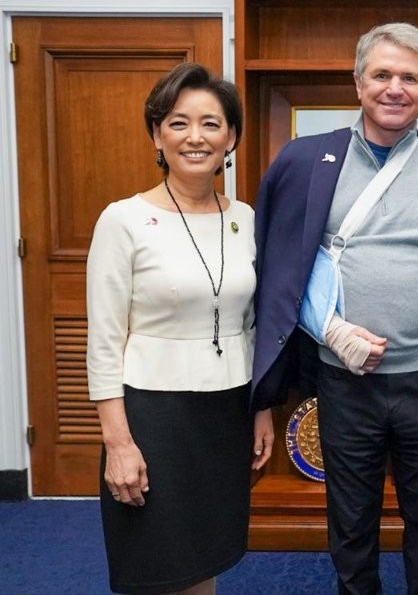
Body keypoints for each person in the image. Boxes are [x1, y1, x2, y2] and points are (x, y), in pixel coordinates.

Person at [251, 22, 418, 595]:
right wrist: (331, 331)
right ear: (358, 82)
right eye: (382, 74)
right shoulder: (305, 161)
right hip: (344, 383)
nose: (395, 87)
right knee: (351, 521)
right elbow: (284, 270)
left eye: (409, 77)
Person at [86, 62, 275, 594]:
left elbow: (253, 322)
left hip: (226, 411)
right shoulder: (122, 219)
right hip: (153, 415)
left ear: (231, 136)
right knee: (157, 561)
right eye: (178, 122)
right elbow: (103, 340)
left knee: (205, 554)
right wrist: (118, 442)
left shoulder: (245, 219)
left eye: (211, 124)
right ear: (156, 133)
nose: (196, 137)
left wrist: (261, 408)